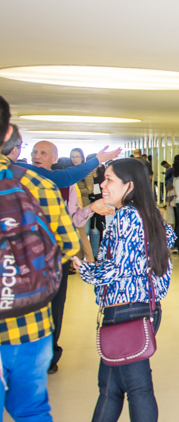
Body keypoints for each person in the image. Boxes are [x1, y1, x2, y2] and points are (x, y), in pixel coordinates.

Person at [63, 158, 176, 422]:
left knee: (134, 386)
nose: (103, 185)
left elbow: (115, 268)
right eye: (103, 179)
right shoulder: (147, 215)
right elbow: (169, 238)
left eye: (110, 179)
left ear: (129, 185)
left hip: (125, 310)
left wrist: (82, 267)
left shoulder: (127, 218)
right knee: (111, 384)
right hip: (144, 307)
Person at [0, 96, 81, 422]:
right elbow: (66, 247)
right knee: (34, 414)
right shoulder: (37, 184)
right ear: (11, 136)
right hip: (31, 324)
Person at [31, 140, 100, 373]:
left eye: (43, 153)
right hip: (29, 257)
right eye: (34, 152)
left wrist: (92, 208)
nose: (36, 156)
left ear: (53, 158)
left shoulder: (66, 186)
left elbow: (74, 220)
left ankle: (50, 355)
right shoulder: (22, 179)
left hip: (56, 255)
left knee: (55, 307)